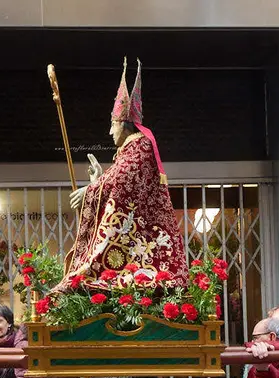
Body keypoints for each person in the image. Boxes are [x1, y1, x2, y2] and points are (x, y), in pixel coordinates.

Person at [61, 59, 187, 290]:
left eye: (112, 124)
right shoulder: (128, 149)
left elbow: (122, 179)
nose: (109, 132)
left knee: (90, 271)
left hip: (145, 235)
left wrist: (91, 190)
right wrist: (98, 180)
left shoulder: (140, 145)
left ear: (123, 123)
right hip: (135, 232)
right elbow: (120, 184)